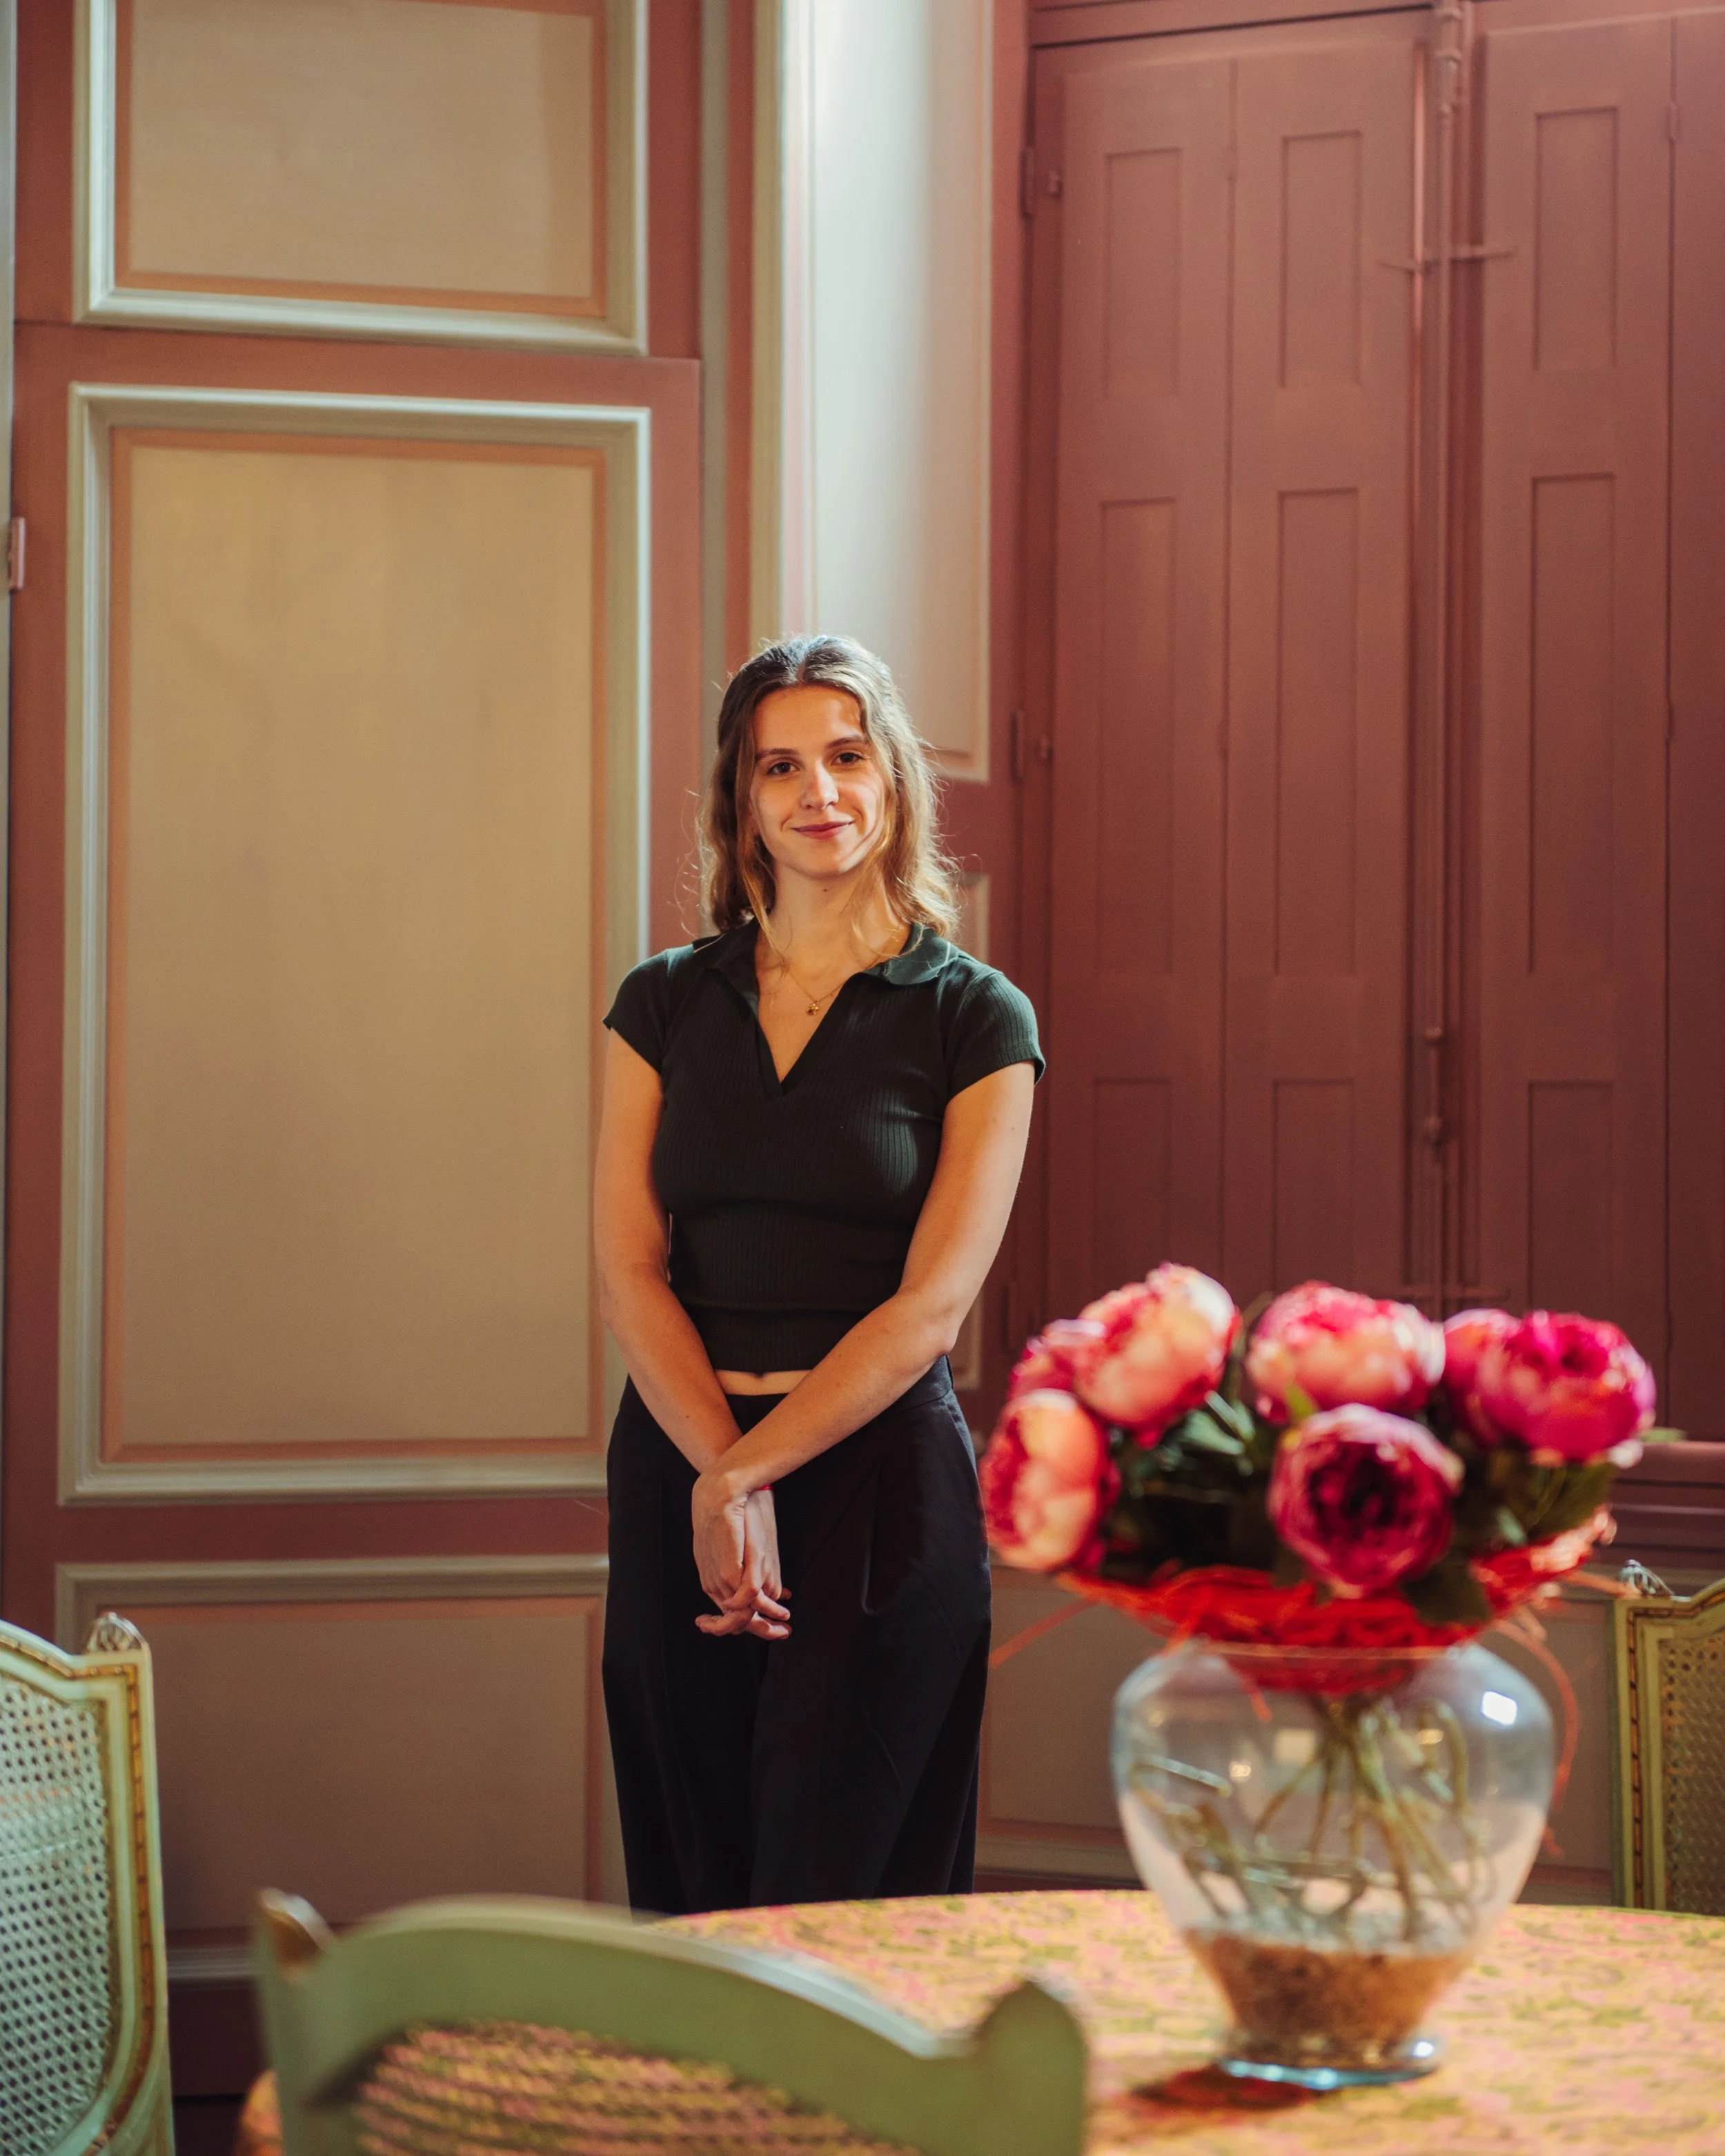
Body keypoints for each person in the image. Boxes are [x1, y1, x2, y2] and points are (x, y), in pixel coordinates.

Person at [593, 635, 1043, 1915]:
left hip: (878, 1488)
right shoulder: (663, 1004)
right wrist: (706, 1467)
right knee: (695, 1880)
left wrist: (744, 1474)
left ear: (893, 779)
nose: (817, 791)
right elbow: (632, 1268)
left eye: (846, 757)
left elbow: (932, 1308)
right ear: (741, 800)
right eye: (779, 766)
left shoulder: (975, 1017)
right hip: (674, 1464)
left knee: (848, 1904)